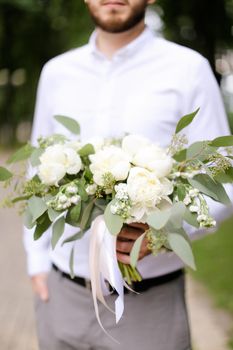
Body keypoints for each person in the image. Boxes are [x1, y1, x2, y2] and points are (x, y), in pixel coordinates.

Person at [24, 1, 232, 349]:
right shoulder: (56, 73)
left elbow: (223, 180)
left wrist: (163, 232)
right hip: (61, 297)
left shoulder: (188, 69)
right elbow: (36, 172)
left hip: (148, 304)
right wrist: (36, 263)